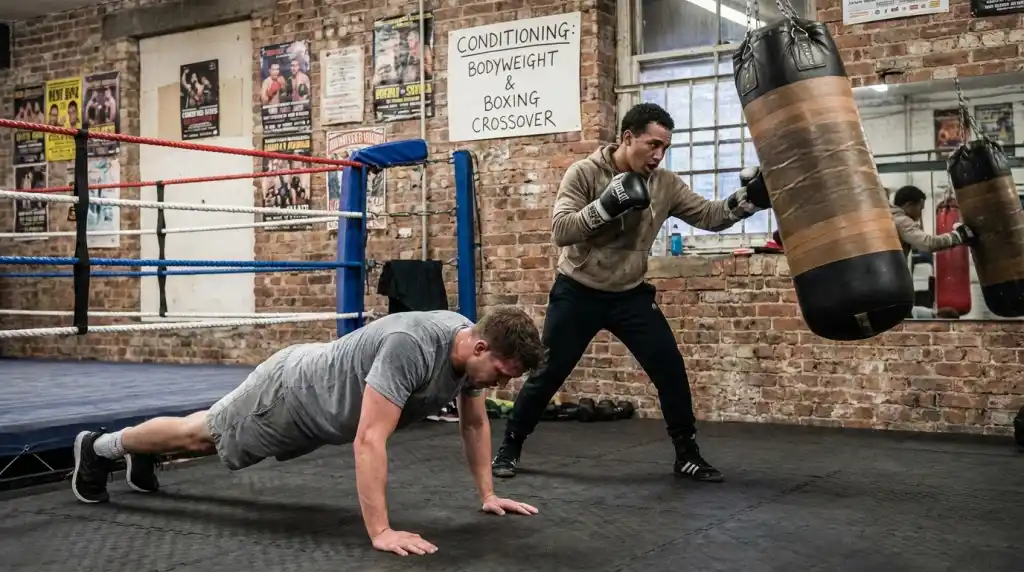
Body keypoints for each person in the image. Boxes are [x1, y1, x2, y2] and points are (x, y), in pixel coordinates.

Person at [71, 307, 546, 557]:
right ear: (480, 345)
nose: (500, 383)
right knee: (202, 435)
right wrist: (380, 530)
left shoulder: (469, 353)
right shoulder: (413, 347)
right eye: (502, 372)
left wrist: (487, 493)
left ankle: (137, 454)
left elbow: (476, 420)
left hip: (316, 409)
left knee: (201, 435)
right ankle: (99, 448)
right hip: (290, 394)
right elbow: (369, 440)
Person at [491, 102, 771, 483]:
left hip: (630, 294)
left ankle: (687, 455)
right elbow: (561, 230)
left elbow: (710, 216)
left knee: (670, 369)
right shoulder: (585, 173)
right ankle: (510, 446)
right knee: (548, 372)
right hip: (578, 291)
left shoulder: (665, 184)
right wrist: (606, 206)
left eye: (664, 148)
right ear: (627, 137)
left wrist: (750, 199)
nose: (658, 155)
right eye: (652, 145)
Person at [890, 185, 975, 258]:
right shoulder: (902, 221)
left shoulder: (890, 218)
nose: (920, 214)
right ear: (908, 205)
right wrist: (957, 236)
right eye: (920, 209)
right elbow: (928, 243)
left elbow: (916, 245)